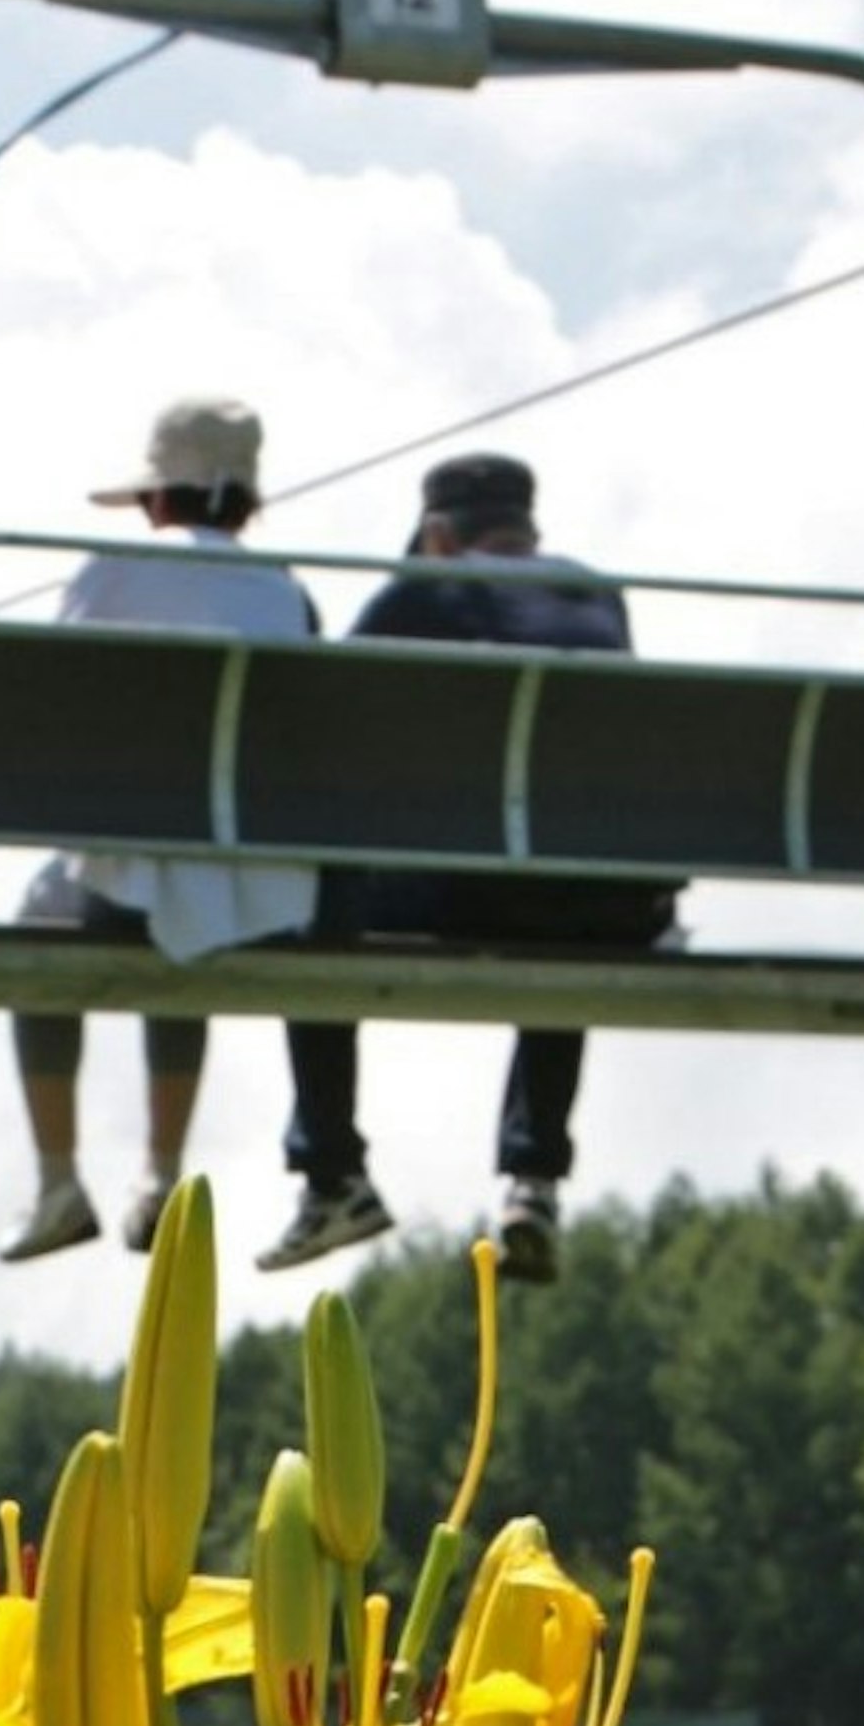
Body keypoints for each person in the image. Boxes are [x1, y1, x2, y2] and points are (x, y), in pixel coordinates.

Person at [261, 448, 670, 1282]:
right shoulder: (599, 593)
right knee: (570, 888)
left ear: (439, 535)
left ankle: (333, 1170)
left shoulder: (427, 588)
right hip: (605, 909)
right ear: (529, 528)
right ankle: (534, 1178)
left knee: (317, 899)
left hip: (461, 889)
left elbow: (320, 707)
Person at [2, 395, 319, 1265]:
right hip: (239, 879)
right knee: (190, 918)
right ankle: (163, 1169)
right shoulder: (285, 591)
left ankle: (58, 1178)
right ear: (246, 502)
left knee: (43, 932)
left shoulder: (111, 574)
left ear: (157, 497)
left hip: (116, 870)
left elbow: (49, 707)